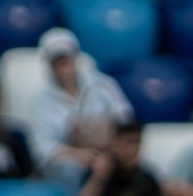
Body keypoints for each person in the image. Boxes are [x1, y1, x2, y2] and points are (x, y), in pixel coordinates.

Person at [29, 30, 130, 187]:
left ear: (76, 57)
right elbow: (41, 148)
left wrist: (102, 136)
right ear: (49, 64)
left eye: (66, 57)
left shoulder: (104, 85)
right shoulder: (41, 101)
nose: (63, 63)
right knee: (71, 170)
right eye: (57, 59)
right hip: (70, 164)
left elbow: (126, 120)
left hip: (109, 152)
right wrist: (74, 153)